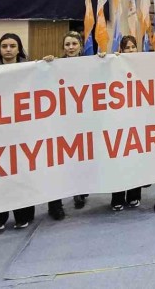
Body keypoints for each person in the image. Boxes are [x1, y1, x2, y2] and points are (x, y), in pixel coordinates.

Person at [0, 33, 36, 233]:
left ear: (19, 48)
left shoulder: (30, 69)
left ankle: (23, 215)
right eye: (4, 46)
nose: (8, 49)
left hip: (21, 131)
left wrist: (49, 64)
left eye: (12, 46)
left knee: (21, 174)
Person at [42, 31, 89, 219]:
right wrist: (45, 65)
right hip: (60, 121)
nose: (70, 47)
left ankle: (79, 193)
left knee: (80, 159)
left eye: (74, 44)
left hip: (81, 120)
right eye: (67, 44)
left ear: (80, 46)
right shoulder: (54, 65)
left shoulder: (90, 63)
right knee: (59, 163)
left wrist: (106, 59)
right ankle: (55, 205)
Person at [110, 35, 144, 211]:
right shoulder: (114, 65)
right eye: (127, 48)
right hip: (118, 121)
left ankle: (134, 195)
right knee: (118, 160)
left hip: (137, 120)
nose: (130, 50)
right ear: (121, 50)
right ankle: (117, 197)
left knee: (135, 160)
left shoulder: (145, 66)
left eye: (133, 47)